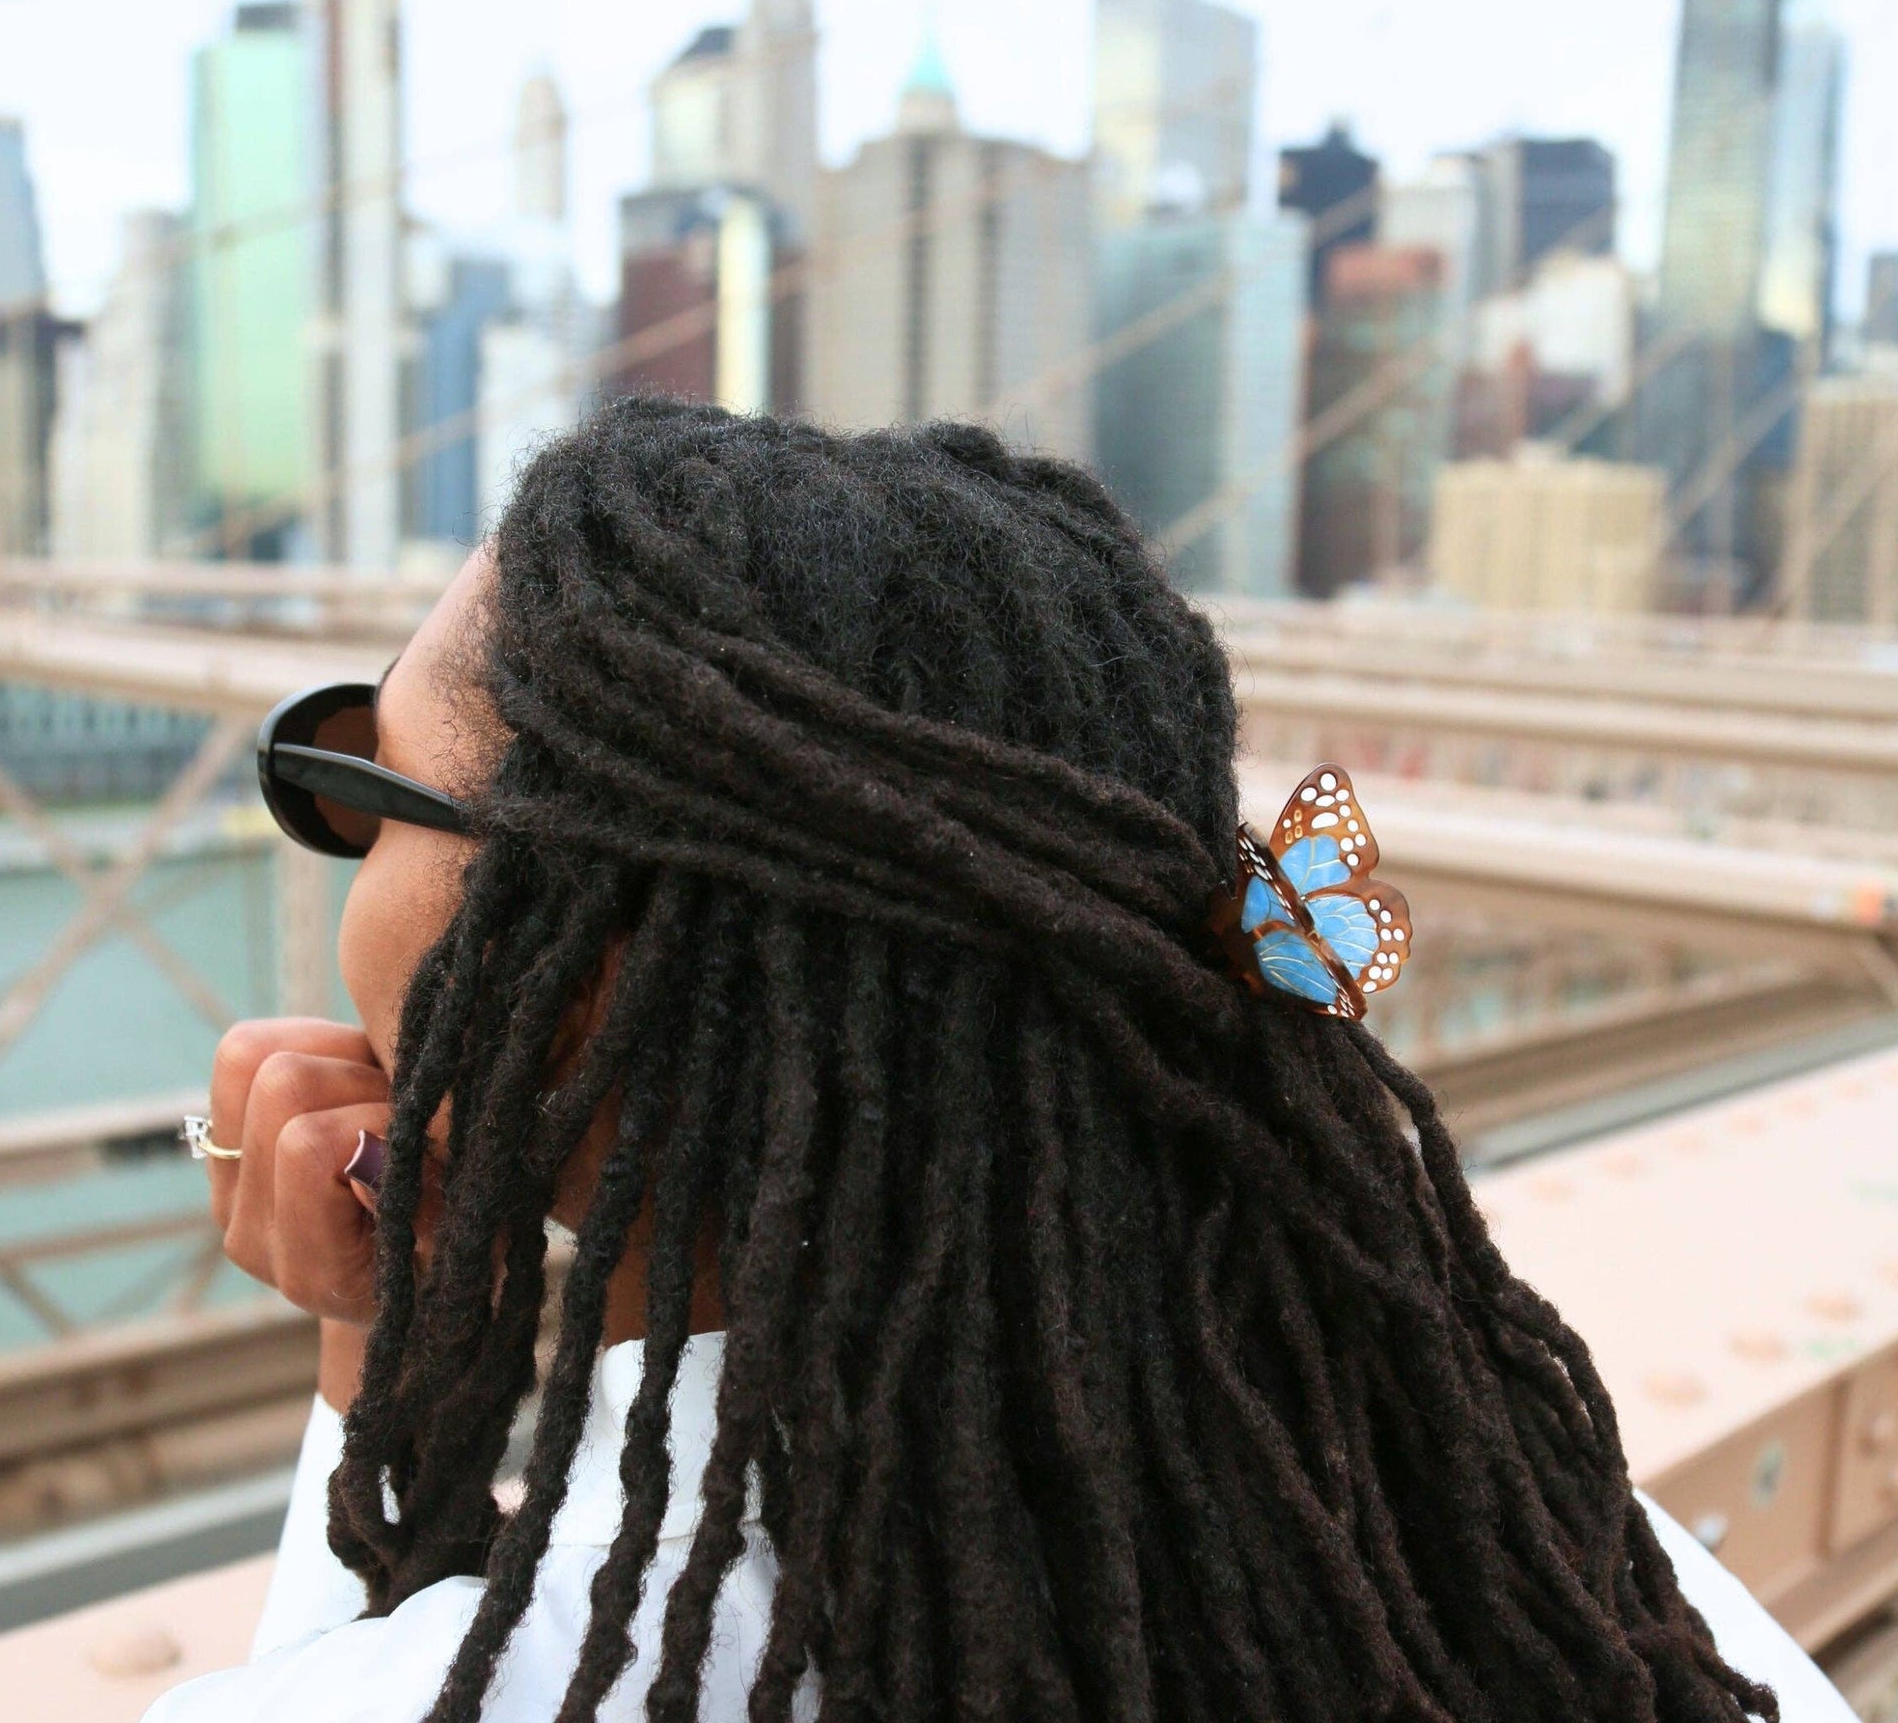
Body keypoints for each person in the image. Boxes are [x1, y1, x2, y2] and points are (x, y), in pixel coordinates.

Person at [148, 401, 1851, 1723]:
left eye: (357, 782)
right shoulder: (1575, 1583)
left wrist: (374, 1378)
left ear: (583, 965)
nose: (336, 833)